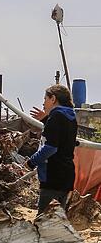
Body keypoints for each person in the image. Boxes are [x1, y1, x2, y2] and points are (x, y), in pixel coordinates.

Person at [27, 84, 78, 214]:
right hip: (66, 176)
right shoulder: (70, 117)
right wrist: (46, 119)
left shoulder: (56, 117)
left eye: (45, 99)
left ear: (53, 99)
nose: (43, 103)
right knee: (58, 222)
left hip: (53, 177)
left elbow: (50, 148)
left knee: (45, 222)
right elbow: (61, 137)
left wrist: (31, 162)